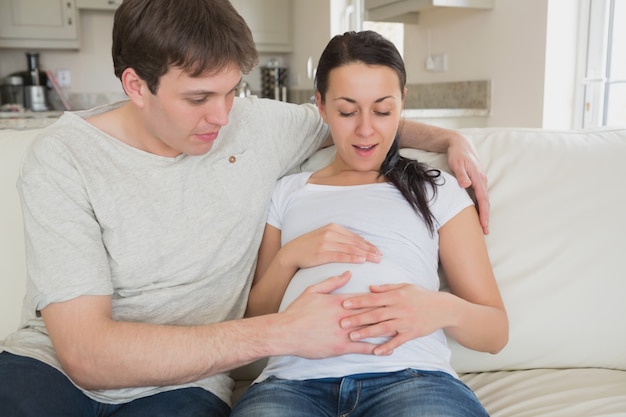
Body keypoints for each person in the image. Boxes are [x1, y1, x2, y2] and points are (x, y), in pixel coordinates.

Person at [0, 1, 490, 416]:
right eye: (199, 98)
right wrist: (283, 330)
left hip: (185, 385)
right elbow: (86, 353)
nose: (222, 116)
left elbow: (358, 122)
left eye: (233, 91)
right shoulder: (63, 156)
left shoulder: (255, 125)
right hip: (49, 369)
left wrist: (450, 138)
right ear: (136, 86)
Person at [231, 30, 508, 417]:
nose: (365, 130)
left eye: (382, 111)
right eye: (347, 111)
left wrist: (440, 308)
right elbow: (255, 322)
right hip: (293, 385)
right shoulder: (287, 191)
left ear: (402, 104)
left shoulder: (435, 189)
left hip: (413, 379)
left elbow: (496, 332)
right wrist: (290, 258)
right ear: (322, 107)